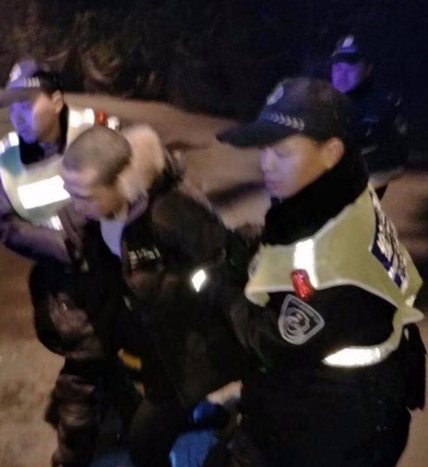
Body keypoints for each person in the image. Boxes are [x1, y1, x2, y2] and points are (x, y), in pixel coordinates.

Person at [208, 77, 425, 467]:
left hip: (332, 425)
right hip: (365, 397)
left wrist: (223, 290)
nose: (266, 163)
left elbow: (274, 340)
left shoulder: (329, 261)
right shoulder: (345, 193)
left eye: (281, 153)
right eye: (263, 149)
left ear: (331, 152)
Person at [61, 125, 255, 467]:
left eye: (85, 196)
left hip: (190, 353)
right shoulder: (106, 214)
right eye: (70, 193)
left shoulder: (171, 212)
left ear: (122, 183)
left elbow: (223, 270)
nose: (76, 206)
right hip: (155, 344)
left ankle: (223, 421)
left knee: (145, 443)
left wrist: (176, 291)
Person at [0, 59, 137, 467]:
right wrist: (64, 247)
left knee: (118, 352)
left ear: (56, 100)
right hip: (65, 283)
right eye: (11, 107)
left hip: (117, 270)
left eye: (26, 104)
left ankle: (129, 417)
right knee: (84, 370)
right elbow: (4, 223)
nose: (17, 116)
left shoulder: (97, 129)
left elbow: (133, 188)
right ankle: (75, 452)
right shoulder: (4, 158)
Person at [330, 34, 410, 199]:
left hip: (369, 181)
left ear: (368, 69)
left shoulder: (384, 104)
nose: (342, 75)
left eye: (351, 68)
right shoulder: (320, 100)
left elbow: (395, 159)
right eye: (338, 68)